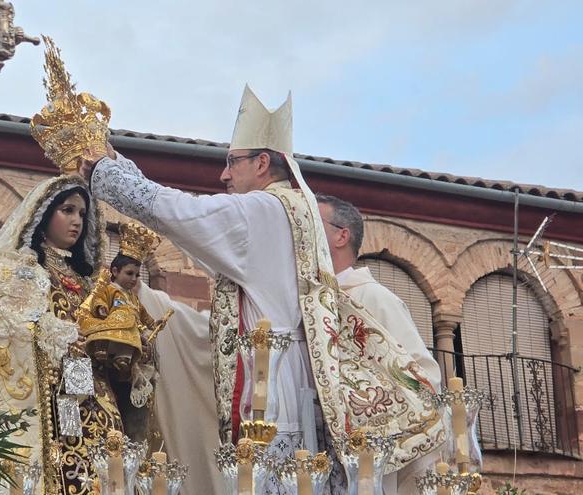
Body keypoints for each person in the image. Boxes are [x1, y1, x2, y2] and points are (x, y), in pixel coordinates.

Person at [80, 85, 443, 494]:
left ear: (263, 161)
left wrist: (101, 174)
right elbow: (190, 230)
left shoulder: (266, 210)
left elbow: (183, 214)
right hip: (289, 381)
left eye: (232, 162)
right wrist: (117, 163)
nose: (224, 174)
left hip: (274, 394)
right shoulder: (293, 210)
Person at [0, 175, 123, 495]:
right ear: (43, 214)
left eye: (82, 213)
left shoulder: (91, 284)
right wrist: (49, 331)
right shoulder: (19, 270)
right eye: (67, 210)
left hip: (93, 401)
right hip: (47, 402)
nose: (77, 221)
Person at [317, 194, 443, 494]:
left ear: (341, 235)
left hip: (370, 452)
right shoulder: (309, 300)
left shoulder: (373, 298)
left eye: (313, 221)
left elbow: (424, 377)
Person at [76, 222, 171, 442]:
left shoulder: (133, 299)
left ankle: (125, 362)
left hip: (129, 339)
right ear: (115, 272)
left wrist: (151, 323)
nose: (134, 279)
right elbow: (98, 303)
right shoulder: (107, 289)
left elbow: (144, 316)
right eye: (130, 273)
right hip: (108, 333)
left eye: (138, 275)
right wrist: (100, 308)